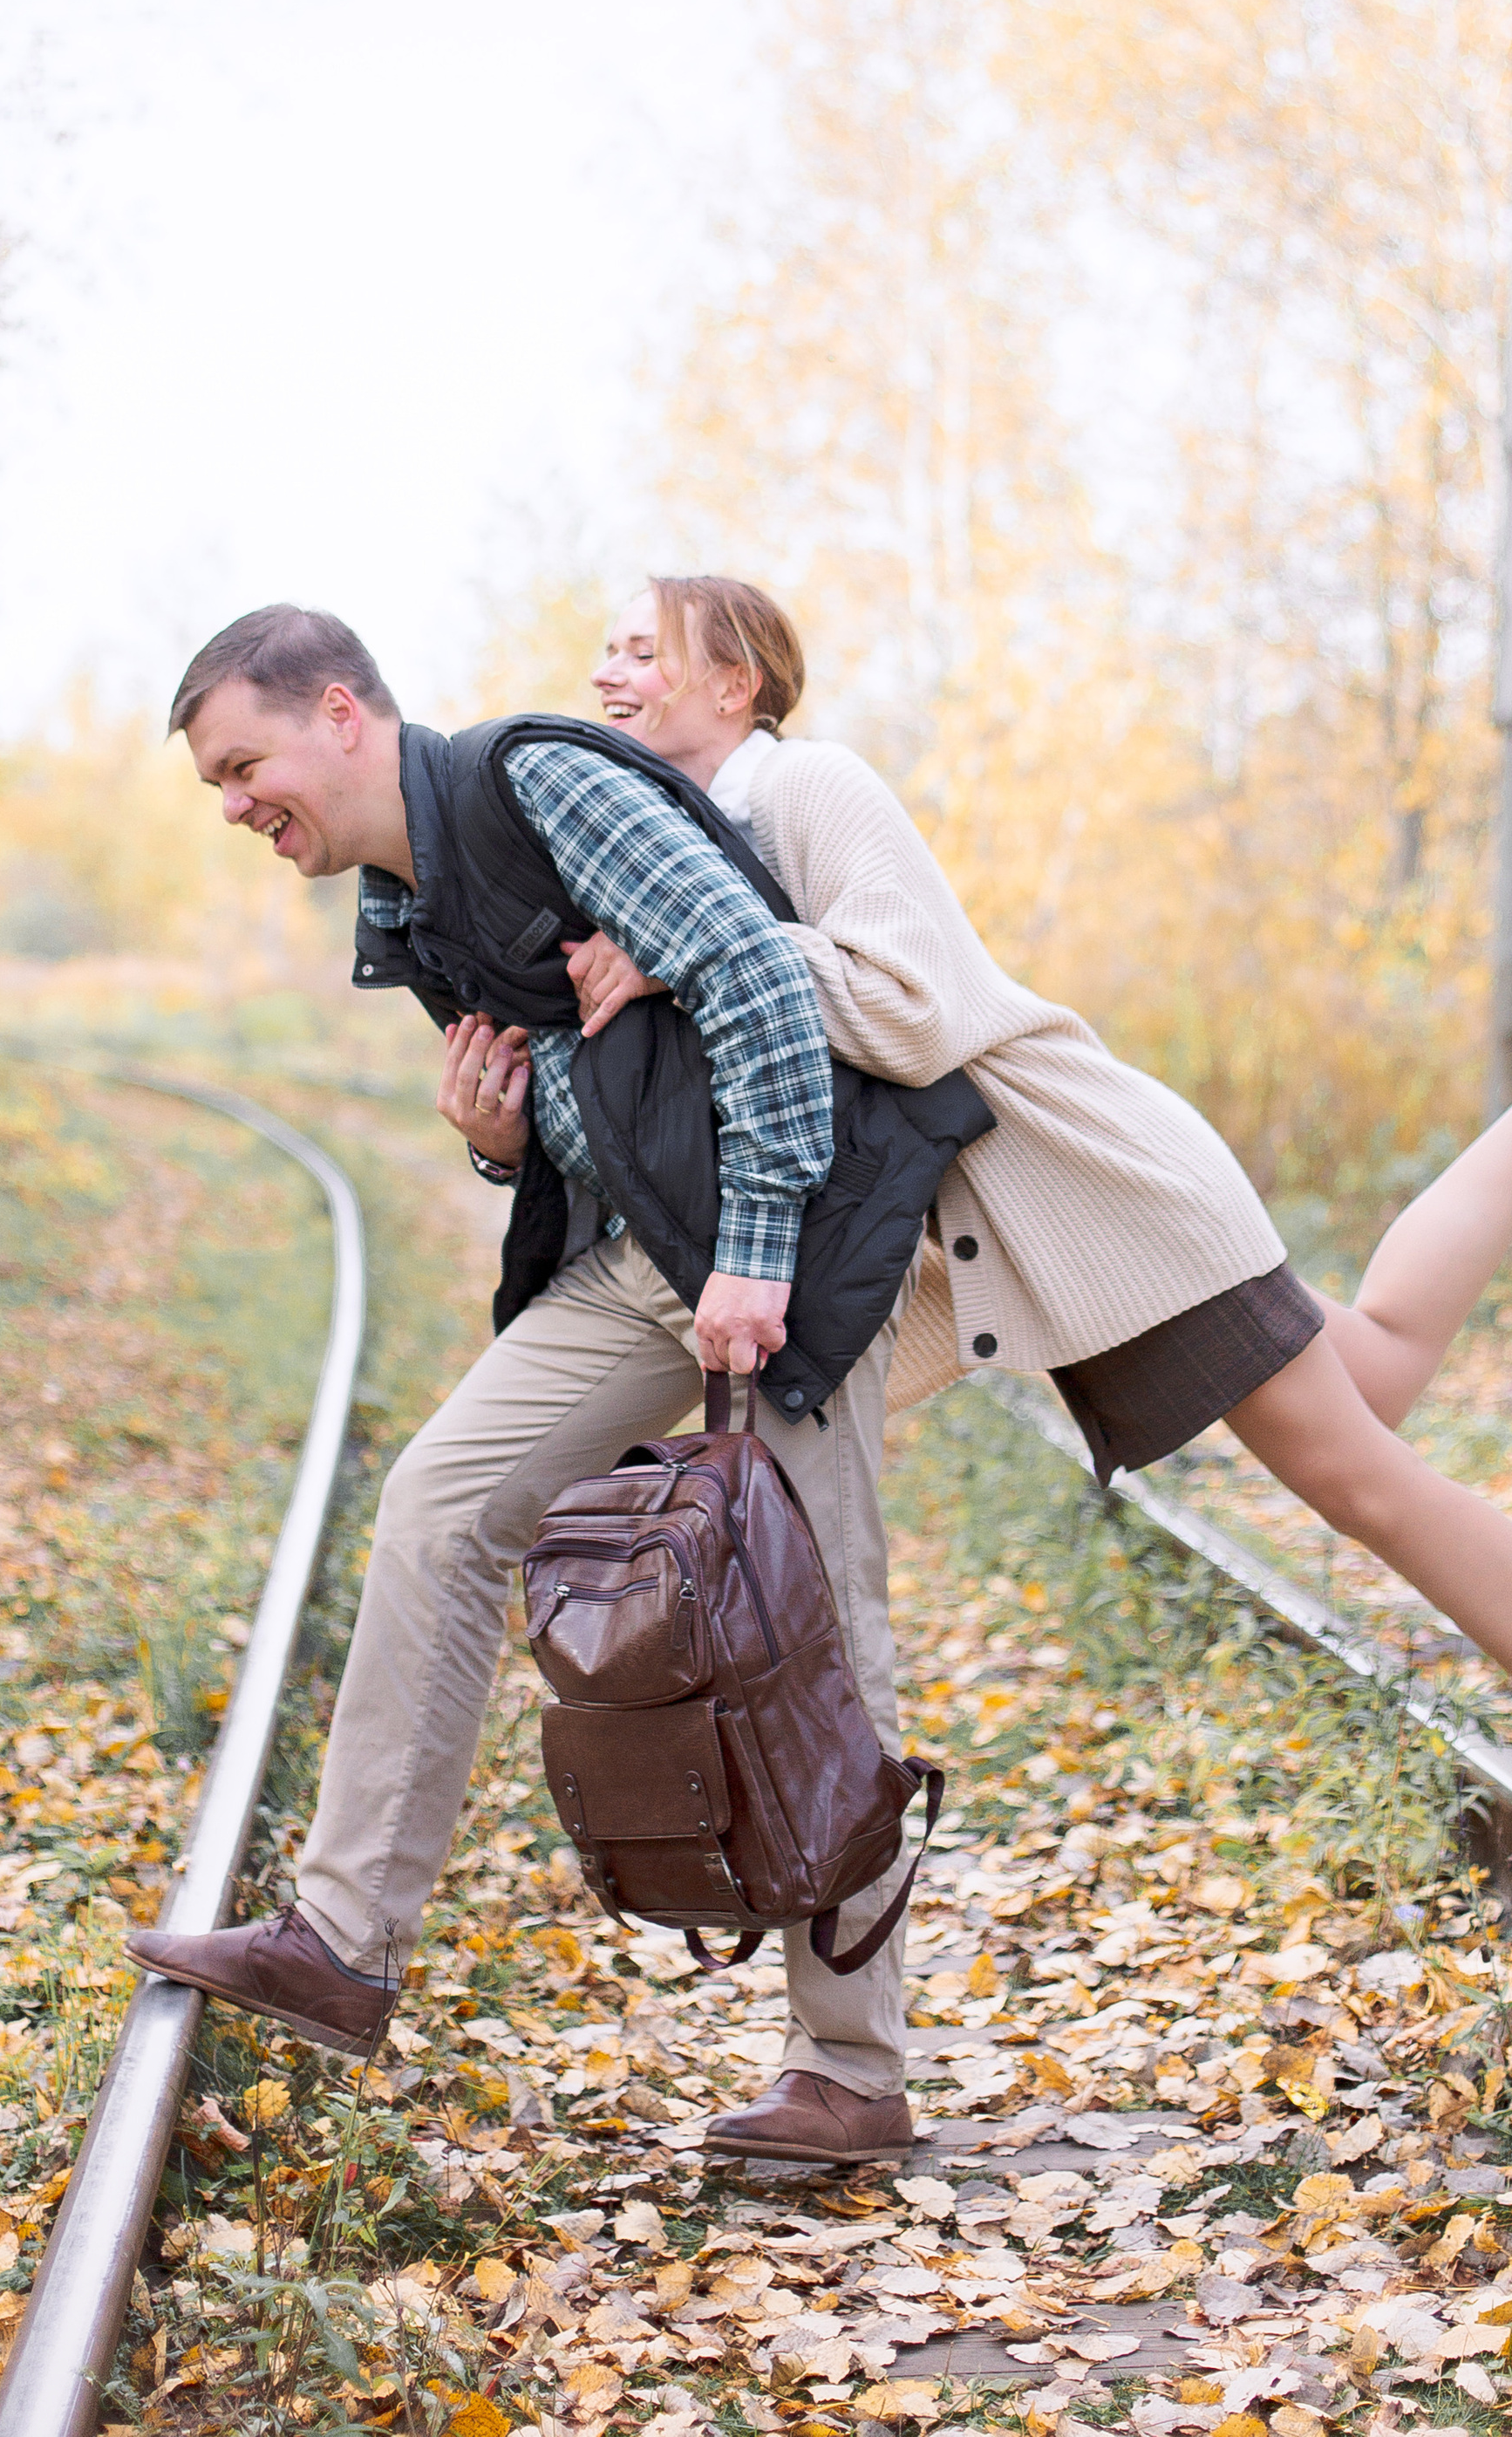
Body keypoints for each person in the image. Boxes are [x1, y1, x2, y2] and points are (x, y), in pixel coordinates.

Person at [440, 572, 1512, 1956]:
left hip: (1082, 1182)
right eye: (604, 651)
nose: (609, 674)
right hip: (1036, 1217)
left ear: (735, 682)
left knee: (1357, 1471)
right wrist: (513, 1138)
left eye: (643, 650)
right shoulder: (677, 845)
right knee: (1377, 1373)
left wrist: (700, 956)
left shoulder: (809, 788)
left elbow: (913, 1009)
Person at [125, 604, 957, 2166]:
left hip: (788, 1237)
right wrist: (502, 1141)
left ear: (341, 713)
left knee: (823, 1632)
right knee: (441, 1504)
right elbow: (604, 1083)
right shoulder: (408, 899)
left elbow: (760, 987)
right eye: (217, 785)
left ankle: (852, 2072)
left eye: (244, 766)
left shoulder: (534, 784)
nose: (236, 806)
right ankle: (344, 1942)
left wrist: (757, 1250)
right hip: (648, 1252)